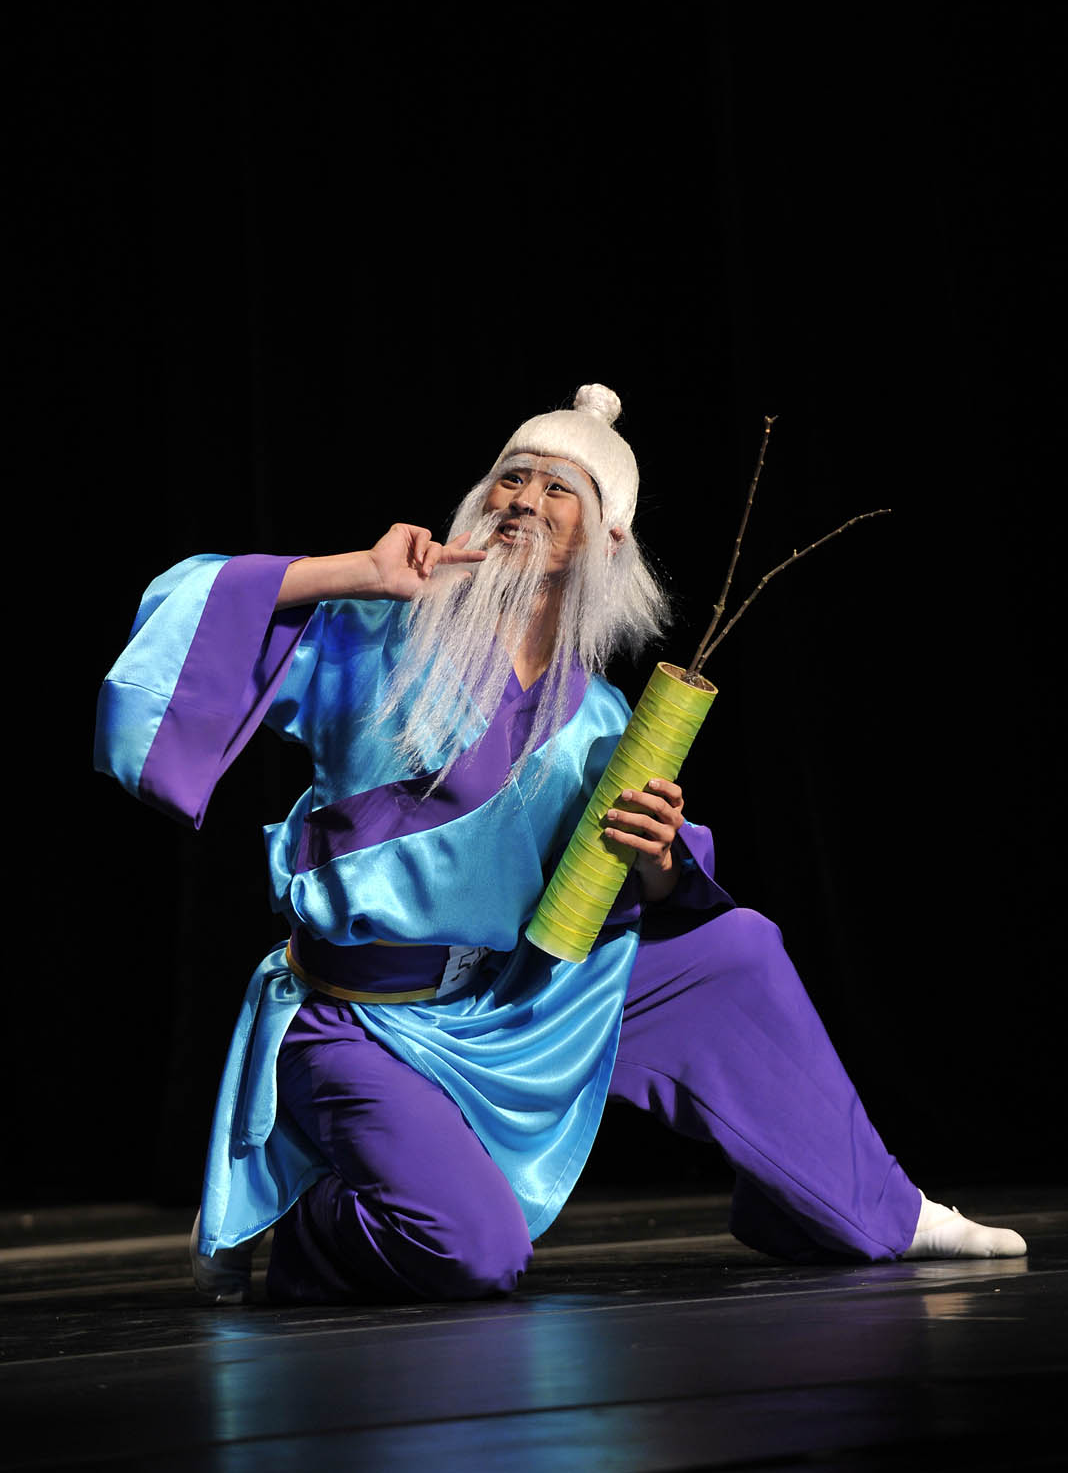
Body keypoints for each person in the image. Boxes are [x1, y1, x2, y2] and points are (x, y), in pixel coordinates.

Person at [95, 384, 1026, 1305]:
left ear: (607, 540)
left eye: (556, 489)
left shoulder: (601, 719)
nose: (523, 500)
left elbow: (606, 903)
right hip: (361, 1019)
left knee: (735, 951)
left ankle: (872, 1205)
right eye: (511, 478)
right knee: (474, 1256)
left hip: (506, 1000)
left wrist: (656, 859)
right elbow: (189, 605)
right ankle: (301, 1210)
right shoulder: (377, 635)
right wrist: (355, 573)